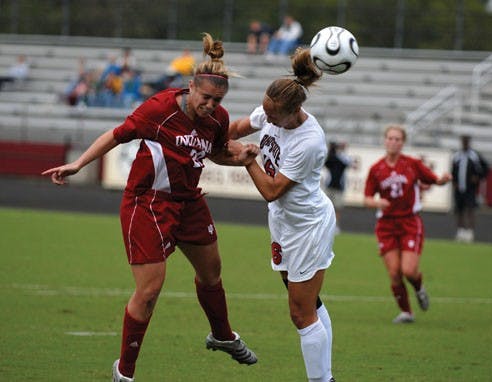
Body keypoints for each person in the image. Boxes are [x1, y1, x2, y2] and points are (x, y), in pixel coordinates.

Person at [42, 33, 258, 382]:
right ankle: (124, 372)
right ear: (190, 87)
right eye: (205, 98)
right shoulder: (158, 109)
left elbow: (214, 151)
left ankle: (222, 335)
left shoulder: (218, 117)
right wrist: (78, 164)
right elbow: (116, 134)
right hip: (148, 202)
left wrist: (241, 157)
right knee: (149, 291)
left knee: (212, 272)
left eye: (217, 100)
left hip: (188, 201)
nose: (210, 105)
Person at [229, 47, 336, 382]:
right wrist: (207, 137)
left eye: (274, 116)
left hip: (308, 226)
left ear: (295, 111)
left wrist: (248, 161)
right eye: (266, 111)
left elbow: (273, 189)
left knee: (299, 312)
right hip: (284, 221)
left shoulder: (310, 141)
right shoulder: (271, 110)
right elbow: (236, 128)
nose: (267, 119)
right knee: (308, 303)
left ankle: (322, 380)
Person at [363, 124, 452, 324]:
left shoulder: (412, 164)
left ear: (403, 143)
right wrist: (377, 202)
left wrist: (443, 180)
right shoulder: (376, 169)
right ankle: (406, 312)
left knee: (409, 271)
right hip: (386, 226)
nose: (393, 142)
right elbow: (367, 198)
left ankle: (419, 288)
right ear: (384, 140)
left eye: (397, 139)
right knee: (394, 273)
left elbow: (434, 180)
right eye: (390, 138)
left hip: (409, 223)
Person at [451, 134, 489, 243]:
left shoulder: (474, 155)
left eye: (466, 141)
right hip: (459, 189)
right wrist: (454, 182)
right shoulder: (457, 155)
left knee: (470, 209)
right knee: (459, 210)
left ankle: (470, 232)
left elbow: (486, 168)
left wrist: (478, 177)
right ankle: (460, 231)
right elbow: (453, 170)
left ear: (469, 142)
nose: (465, 143)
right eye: (463, 141)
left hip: (470, 189)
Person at [323, 141, 356, 234]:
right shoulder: (332, 158)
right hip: (329, 185)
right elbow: (327, 161)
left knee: (337, 208)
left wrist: (339, 150)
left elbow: (348, 162)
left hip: (339, 187)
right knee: (326, 207)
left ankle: (335, 226)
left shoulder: (342, 158)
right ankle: (325, 225)